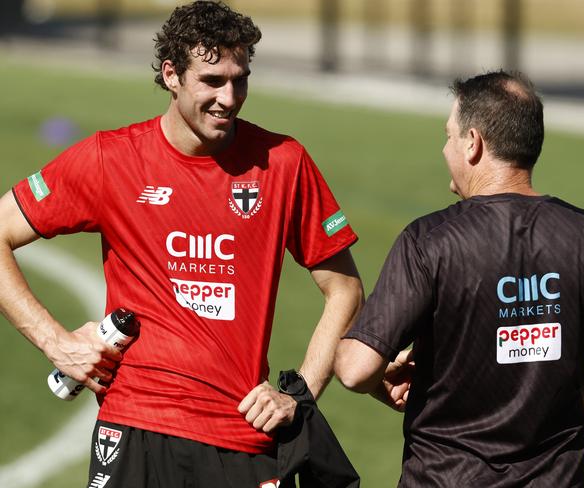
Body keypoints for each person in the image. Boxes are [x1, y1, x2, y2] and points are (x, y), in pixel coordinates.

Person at [0, 2, 363, 487]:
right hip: (134, 427)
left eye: (241, 79)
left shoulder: (284, 163)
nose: (229, 98)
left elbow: (345, 290)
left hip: (241, 436)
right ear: (171, 75)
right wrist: (57, 344)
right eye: (212, 81)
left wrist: (300, 398)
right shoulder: (112, 159)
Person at [334, 70, 584, 487]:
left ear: (473, 143)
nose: (445, 147)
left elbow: (356, 370)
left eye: (449, 135)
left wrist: (377, 370)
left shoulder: (429, 240)